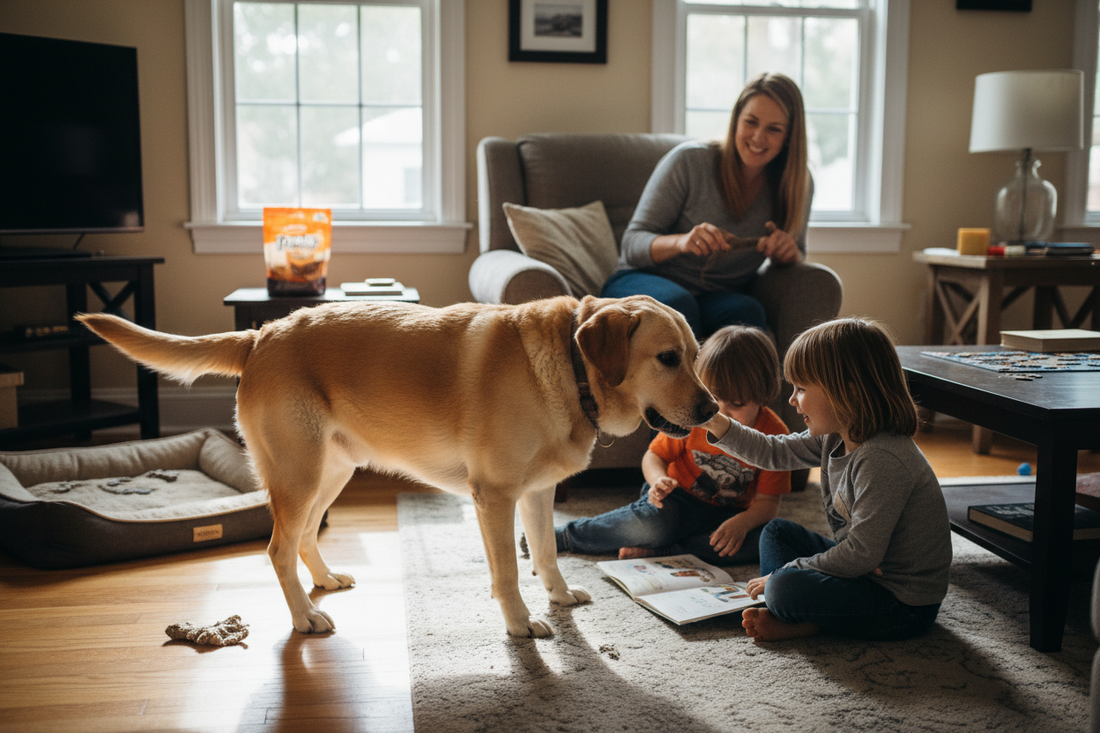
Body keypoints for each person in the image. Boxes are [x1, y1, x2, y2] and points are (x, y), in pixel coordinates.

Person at [701, 317, 952, 642]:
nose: (792, 400)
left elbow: (861, 554)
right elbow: (771, 452)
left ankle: (807, 620)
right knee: (776, 532)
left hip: (901, 604)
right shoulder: (835, 435)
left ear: (847, 392)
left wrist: (788, 571)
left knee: (783, 586)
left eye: (801, 389)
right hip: (865, 572)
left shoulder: (882, 458)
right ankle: (800, 611)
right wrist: (712, 419)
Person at [554, 325, 791, 566]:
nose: (720, 412)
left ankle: (668, 550)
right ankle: (564, 536)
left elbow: (768, 504)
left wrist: (742, 524)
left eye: (737, 404)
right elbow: (653, 457)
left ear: (763, 395)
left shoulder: (775, 436)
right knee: (654, 525)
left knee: (767, 541)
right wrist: (657, 480)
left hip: (728, 514)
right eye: (713, 397)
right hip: (676, 500)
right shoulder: (697, 415)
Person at [603, 72, 812, 339]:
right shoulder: (689, 162)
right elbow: (631, 244)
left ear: (790, 136)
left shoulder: (797, 184)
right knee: (679, 306)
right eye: (751, 122)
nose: (758, 137)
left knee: (748, 316)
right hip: (639, 280)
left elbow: (800, 253)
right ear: (736, 120)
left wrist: (789, 253)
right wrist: (682, 242)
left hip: (715, 295)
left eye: (774, 129)